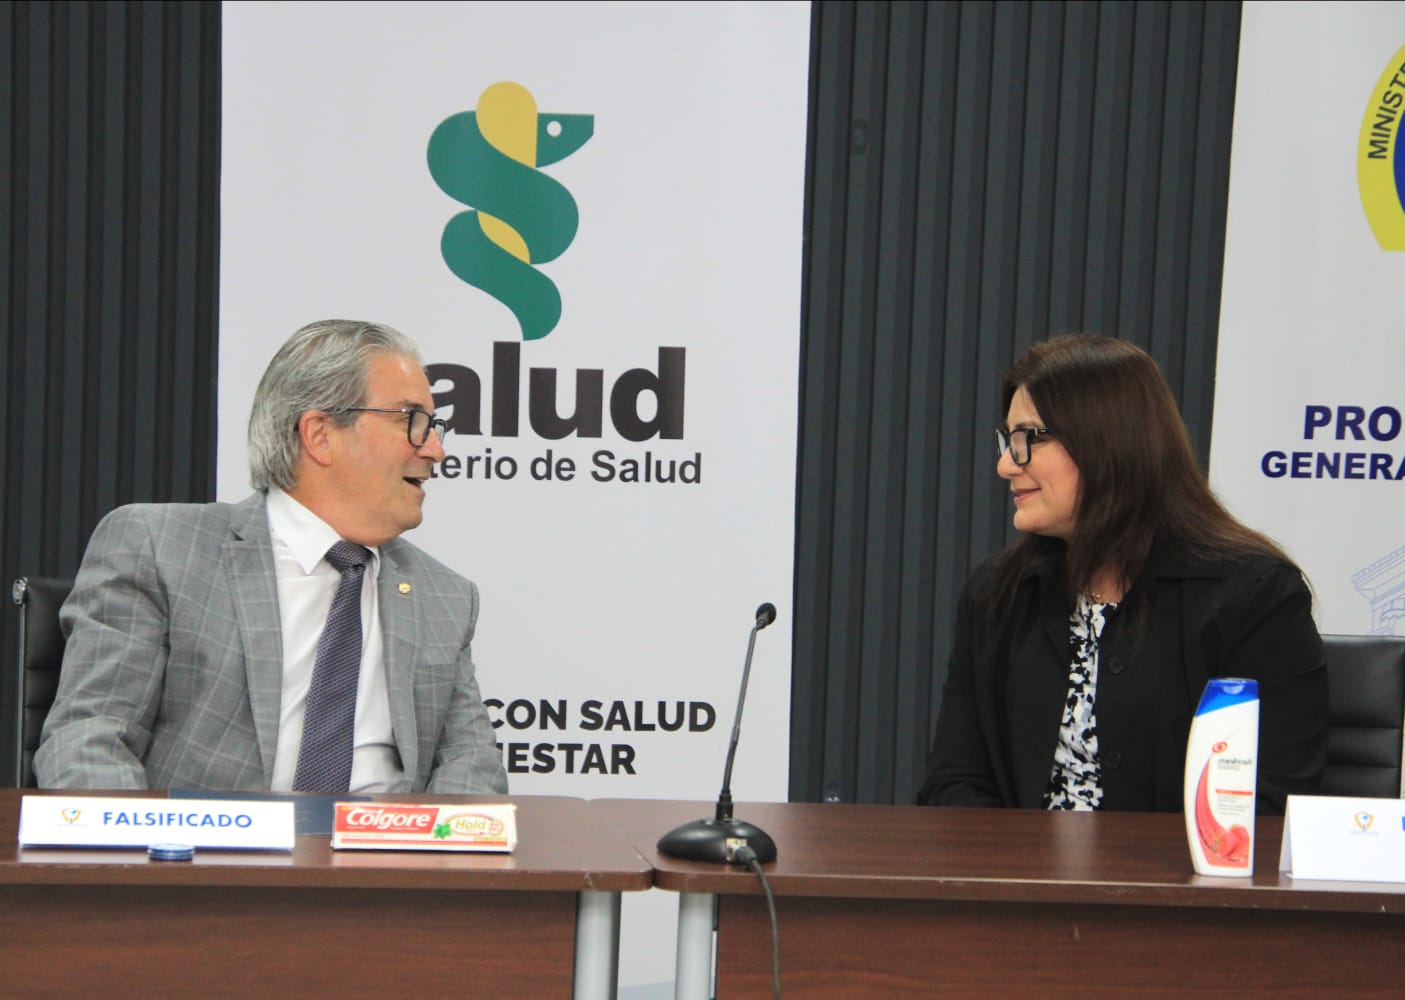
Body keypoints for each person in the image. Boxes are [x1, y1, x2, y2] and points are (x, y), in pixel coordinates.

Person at [35, 320, 508, 794]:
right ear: (320, 434)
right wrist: (139, 841)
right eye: (412, 421)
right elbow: (89, 741)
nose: (435, 450)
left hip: (382, 840)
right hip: (208, 839)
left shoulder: (444, 596)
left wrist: (442, 838)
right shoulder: (162, 548)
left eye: (434, 427)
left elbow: (472, 766)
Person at [918, 333, 1326, 813]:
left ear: (1107, 441)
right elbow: (954, 782)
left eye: (1029, 438)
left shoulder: (1255, 596)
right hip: (1018, 863)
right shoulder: (998, 594)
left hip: (1185, 864)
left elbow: (1271, 805)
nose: (1006, 464)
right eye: (1008, 440)